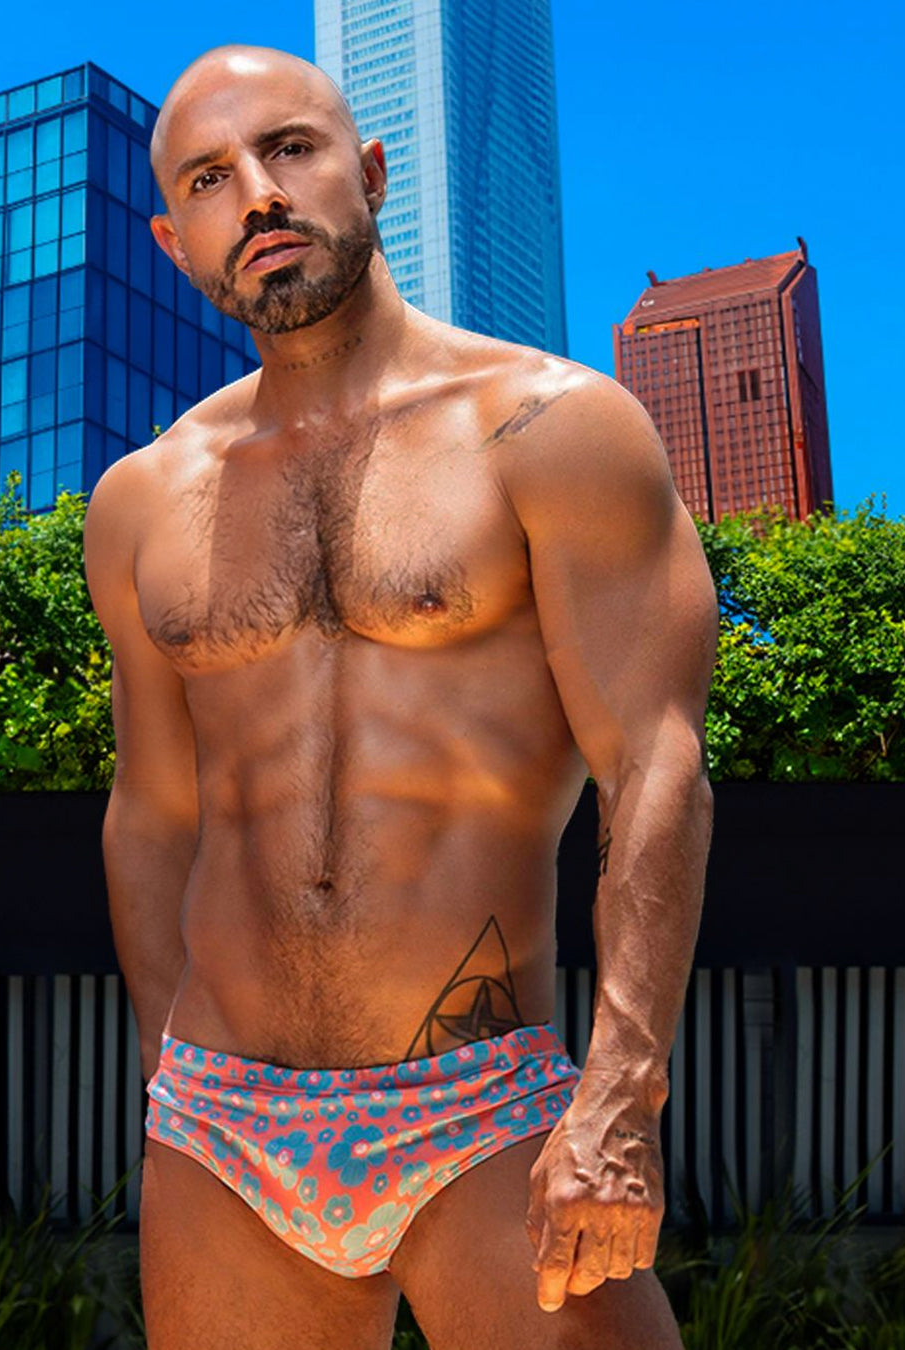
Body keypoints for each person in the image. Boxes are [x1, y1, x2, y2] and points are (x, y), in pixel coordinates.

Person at [82, 42, 718, 1350]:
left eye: (290, 148)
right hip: (220, 1126)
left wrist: (620, 1092)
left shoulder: (552, 428)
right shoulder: (141, 500)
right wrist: (167, 1076)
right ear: (172, 239)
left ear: (369, 172)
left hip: (481, 1107)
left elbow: (653, 765)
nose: (257, 193)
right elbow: (152, 812)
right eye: (208, 178)